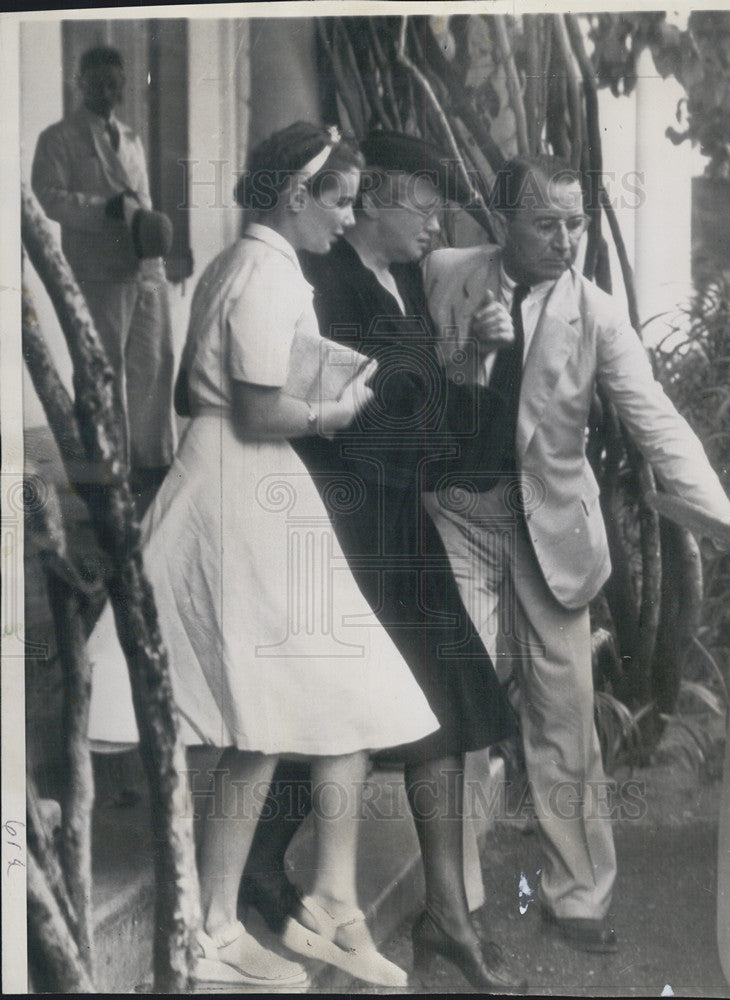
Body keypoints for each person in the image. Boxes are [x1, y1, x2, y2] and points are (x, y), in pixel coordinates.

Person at [86, 122, 440, 989]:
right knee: (260, 710)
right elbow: (253, 413)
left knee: (328, 687)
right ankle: (212, 927)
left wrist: (296, 395)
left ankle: (319, 903)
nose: (344, 220)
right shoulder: (270, 275)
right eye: (340, 203)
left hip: (243, 481)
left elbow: (186, 391)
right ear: (296, 196)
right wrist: (332, 411)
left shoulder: (228, 266)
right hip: (241, 488)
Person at [422, 153, 730, 953]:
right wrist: (467, 351)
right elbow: (413, 386)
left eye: (576, 222)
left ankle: (577, 898)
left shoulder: (597, 315)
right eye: (547, 223)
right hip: (459, 516)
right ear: (502, 219)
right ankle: (456, 900)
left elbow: (654, 422)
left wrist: (725, 524)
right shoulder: (443, 271)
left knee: (564, 713)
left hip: (553, 531)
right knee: (454, 701)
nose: (567, 240)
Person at [240, 132, 526, 992]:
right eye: (423, 205)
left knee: (438, 712)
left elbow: (429, 422)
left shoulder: (396, 281)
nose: (436, 222)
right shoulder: (319, 285)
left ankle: (447, 916)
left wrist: (480, 360)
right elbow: (343, 415)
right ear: (366, 206)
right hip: (345, 527)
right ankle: (258, 871)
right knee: (344, 721)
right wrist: (463, 386)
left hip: (395, 524)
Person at [31, 46, 174, 509]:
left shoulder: (130, 138)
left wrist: (152, 233)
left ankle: (151, 465)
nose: (108, 91)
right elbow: (48, 198)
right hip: (97, 270)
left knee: (153, 363)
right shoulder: (58, 138)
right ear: (80, 82)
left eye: (116, 83)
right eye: (98, 83)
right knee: (101, 368)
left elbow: (145, 197)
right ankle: (104, 470)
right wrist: (104, 210)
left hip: (144, 267)